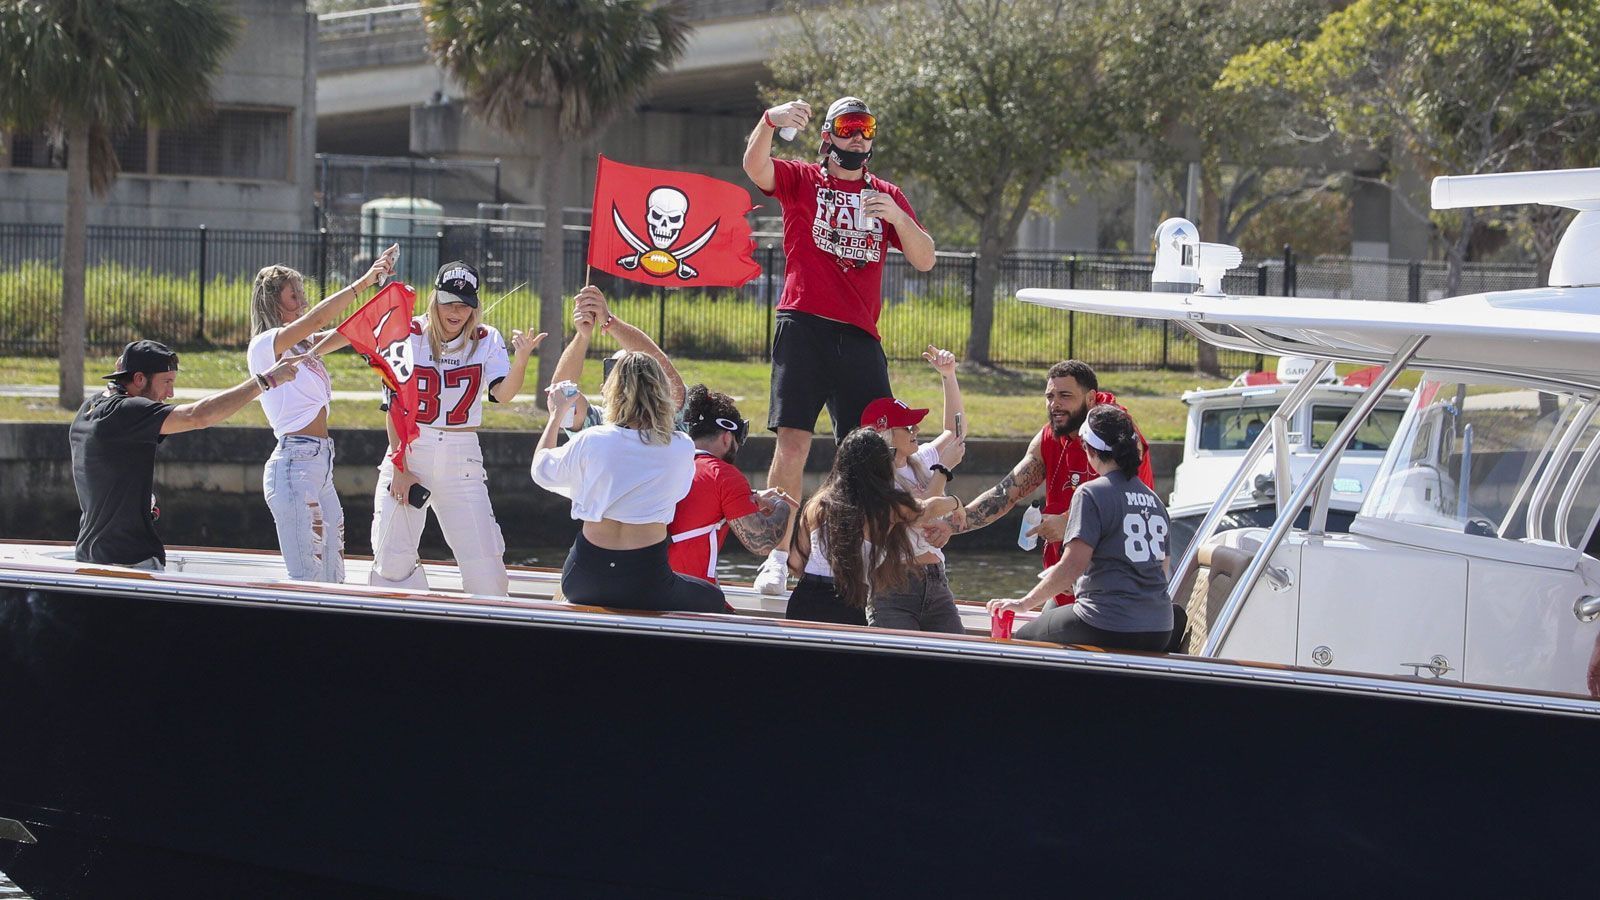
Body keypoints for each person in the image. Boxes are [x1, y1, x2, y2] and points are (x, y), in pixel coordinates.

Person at [744, 94, 938, 593]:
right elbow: (755, 166)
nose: (858, 136)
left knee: (869, 451)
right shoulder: (803, 179)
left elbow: (925, 259)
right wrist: (770, 121)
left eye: (867, 128)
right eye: (849, 126)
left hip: (859, 336)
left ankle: (859, 557)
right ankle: (779, 554)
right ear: (827, 135)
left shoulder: (886, 193)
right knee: (793, 444)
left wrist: (897, 217)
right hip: (803, 324)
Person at [368, 261, 545, 597]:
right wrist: (400, 467)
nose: (457, 311)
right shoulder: (408, 332)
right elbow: (394, 407)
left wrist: (522, 359)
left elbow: (502, 395)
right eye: (449, 301)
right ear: (435, 298)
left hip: (461, 457)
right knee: (391, 562)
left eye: (465, 304)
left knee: (486, 572)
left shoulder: (485, 338)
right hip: (411, 449)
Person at [71, 339, 303, 569]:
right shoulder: (127, 412)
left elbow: (104, 468)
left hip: (90, 556)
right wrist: (265, 381)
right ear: (139, 379)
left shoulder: (90, 408)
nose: (170, 393)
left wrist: (137, 500)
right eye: (167, 382)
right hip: (130, 561)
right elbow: (197, 416)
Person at [532, 351, 727, 613]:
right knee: (713, 597)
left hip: (582, 578)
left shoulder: (592, 440)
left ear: (612, 392)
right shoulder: (680, 446)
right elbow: (678, 495)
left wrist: (557, 414)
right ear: (662, 393)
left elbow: (541, 470)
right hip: (646, 580)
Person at [247, 246, 396, 582]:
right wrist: (363, 282)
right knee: (308, 579)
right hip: (294, 465)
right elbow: (318, 319)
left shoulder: (302, 345)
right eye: (293, 295)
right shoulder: (265, 345)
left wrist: (385, 298)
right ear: (274, 304)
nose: (302, 300)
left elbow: (345, 333)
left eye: (302, 292)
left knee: (334, 576)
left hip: (320, 466)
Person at [956, 360, 1154, 608]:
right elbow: (1005, 494)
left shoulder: (1117, 433)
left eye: (1065, 395)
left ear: (1091, 398)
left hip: (1109, 596)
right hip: (1065, 585)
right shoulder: (1049, 436)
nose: (1054, 404)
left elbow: (1131, 506)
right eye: (1049, 396)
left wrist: (1070, 524)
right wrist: (954, 523)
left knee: (1029, 638)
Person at [987, 405, 1183, 652]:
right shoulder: (1155, 500)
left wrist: (1023, 603)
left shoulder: (1091, 492)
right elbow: (1161, 573)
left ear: (1089, 449)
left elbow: (1073, 566)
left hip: (1106, 622)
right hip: (1159, 627)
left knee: (1025, 637)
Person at [786, 428, 962, 626]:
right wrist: (955, 502)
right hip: (849, 602)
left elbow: (794, 563)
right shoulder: (883, 508)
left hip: (805, 598)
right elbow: (927, 508)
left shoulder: (816, 504)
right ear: (882, 466)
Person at [856, 345, 968, 633]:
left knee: (958, 662)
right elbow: (918, 512)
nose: (916, 431)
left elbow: (955, 433)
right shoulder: (873, 477)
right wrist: (943, 470)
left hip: (935, 580)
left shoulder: (917, 460)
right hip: (892, 584)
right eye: (908, 427)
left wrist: (949, 375)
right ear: (884, 434)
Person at [668, 384, 798, 585]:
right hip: (689, 592)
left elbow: (697, 494)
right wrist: (781, 506)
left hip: (646, 585)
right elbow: (761, 543)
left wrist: (752, 495)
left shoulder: (665, 461)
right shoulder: (723, 475)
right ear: (727, 438)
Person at [548, 285, 685, 430]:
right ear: (604, 388)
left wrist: (609, 321)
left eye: (639, 372)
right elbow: (560, 395)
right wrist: (583, 335)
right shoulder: (596, 424)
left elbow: (673, 385)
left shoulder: (669, 426)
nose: (632, 381)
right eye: (622, 374)